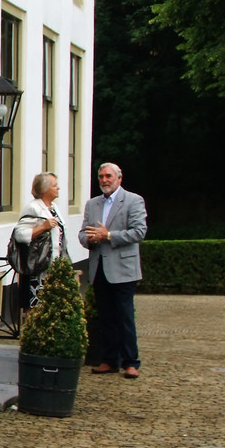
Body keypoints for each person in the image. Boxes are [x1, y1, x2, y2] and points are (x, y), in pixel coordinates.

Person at [79, 162, 148, 378]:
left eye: (108, 176)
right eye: (101, 176)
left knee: (124, 317)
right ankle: (109, 360)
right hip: (99, 267)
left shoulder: (133, 200)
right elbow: (82, 233)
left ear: (119, 178)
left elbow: (139, 232)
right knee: (106, 317)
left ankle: (131, 362)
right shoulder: (92, 204)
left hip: (123, 268)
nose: (104, 180)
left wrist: (108, 235)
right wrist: (89, 239)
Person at [13, 172, 68, 309]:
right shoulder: (33, 207)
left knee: (54, 308)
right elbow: (19, 234)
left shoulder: (54, 208)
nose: (58, 188)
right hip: (39, 270)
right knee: (39, 308)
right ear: (44, 189)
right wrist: (43, 227)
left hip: (55, 268)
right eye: (54, 185)